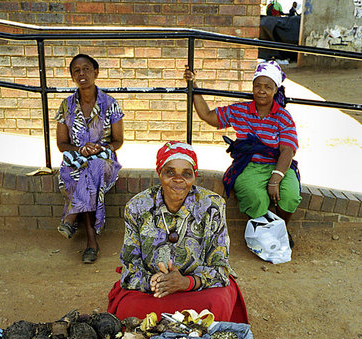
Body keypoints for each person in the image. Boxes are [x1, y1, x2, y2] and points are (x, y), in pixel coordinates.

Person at [107, 141, 248, 323]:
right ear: (159, 173)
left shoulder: (212, 206)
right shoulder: (137, 207)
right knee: (129, 309)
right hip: (154, 290)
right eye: (170, 172)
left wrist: (187, 283)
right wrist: (154, 282)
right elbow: (130, 266)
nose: (178, 179)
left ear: (194, 177)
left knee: (217, 302)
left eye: (186, 174)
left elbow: (220, 267)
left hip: (197, 289)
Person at [183, 60, 301, 242]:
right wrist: (194, 85)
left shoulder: (283, 116)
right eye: (258, 86)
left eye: (268, 87)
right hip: (250, 165)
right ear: (252, 87)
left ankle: (281, 229)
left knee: (291, 196)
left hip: (279, 165)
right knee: (255, 197)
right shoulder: (241, 111)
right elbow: (208, 116)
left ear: (276, 89)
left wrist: (275, 179)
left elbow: (287, 150)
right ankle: (266, 233)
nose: (262, 90)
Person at [55, 54, 124, 264]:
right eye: (76, 70)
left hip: (104, 161)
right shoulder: (66, 106)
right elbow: (61, 145)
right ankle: (91, 241)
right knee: (85, 173)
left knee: (93, 167)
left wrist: (98, 148)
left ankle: (72, 219)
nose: (81, 73)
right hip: (75, 161)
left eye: (86, 69)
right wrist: (81, 149)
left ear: (96, 72)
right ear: (72, 77)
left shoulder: (110, 104)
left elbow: (118, 140)